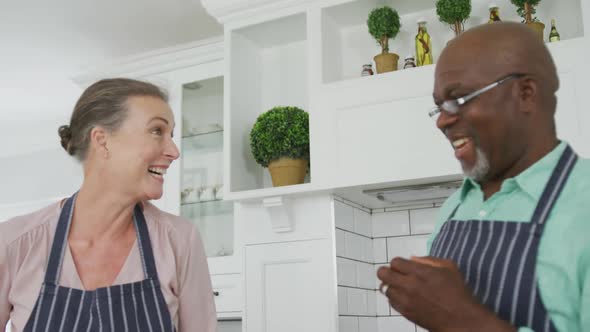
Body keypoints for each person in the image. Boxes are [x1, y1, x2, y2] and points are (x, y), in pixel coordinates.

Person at [377, 22, 589, 331]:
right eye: (439, 106)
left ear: (525, 93)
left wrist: (462, 319)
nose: (442, 121)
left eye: (459, 98)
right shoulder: (454, 208)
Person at [0, 78, 217, 331]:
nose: (173, 151)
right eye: (157, 131)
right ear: (102, 140)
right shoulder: (15, 243)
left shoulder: (178, 240)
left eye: (171, 135)